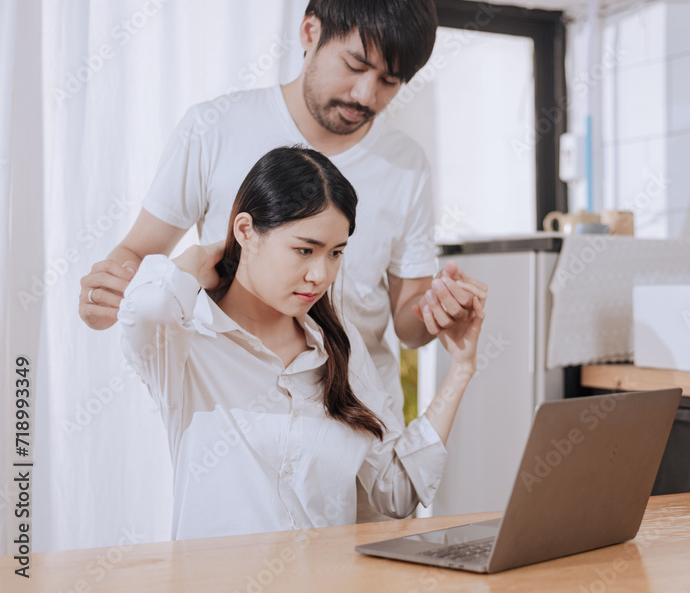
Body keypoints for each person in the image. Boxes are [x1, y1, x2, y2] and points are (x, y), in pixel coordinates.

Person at [78, 0, 483, 518]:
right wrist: (111, 298)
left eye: (390, 82)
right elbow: (138, 262)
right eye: (356, 65)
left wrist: (442, 318)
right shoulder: (215, 129)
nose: (366, 94)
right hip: (238, 404)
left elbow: (408, 322)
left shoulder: (406, 165)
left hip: (353, 411)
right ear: (310, 32)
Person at [119, 146, 485, 541]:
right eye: (304, 250)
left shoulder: (339, 347)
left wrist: (461, 369)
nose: (319, 274)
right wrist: (201, 257)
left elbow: (396, 492)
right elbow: (147, 307)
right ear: (246, 231)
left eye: (335, 254)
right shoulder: (188, 340)